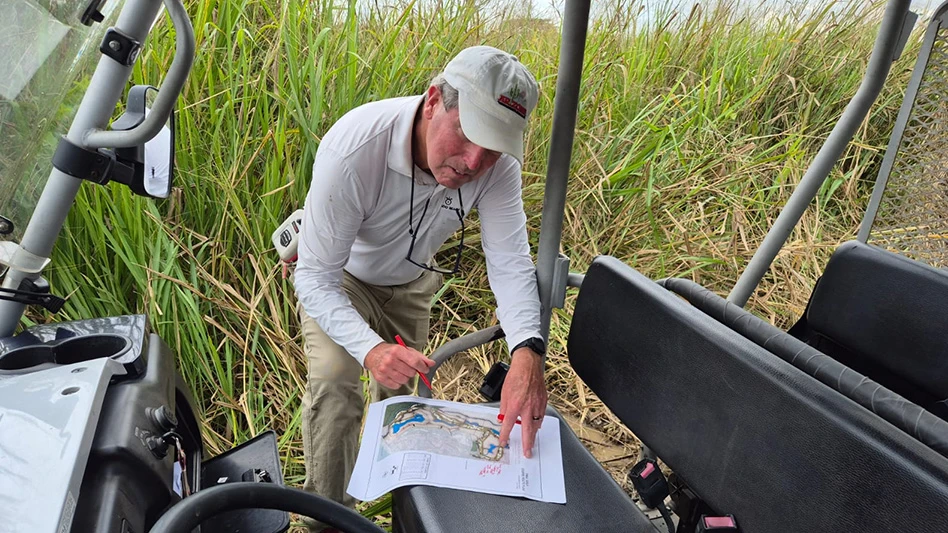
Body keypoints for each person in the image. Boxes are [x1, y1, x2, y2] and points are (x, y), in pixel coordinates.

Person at [293, 45, 548, 531]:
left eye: (493, 145)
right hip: (341, 277)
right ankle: (327, 520)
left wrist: (528, 351)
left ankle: (403, 507)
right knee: (336, 386)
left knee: (403, 400)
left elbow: (510, 262)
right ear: (433, 101)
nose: (475, 161)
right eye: (470, 133)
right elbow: (314, 275)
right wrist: (369, 349)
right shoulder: (355, 146)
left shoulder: (498, 170)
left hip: (410, 282)